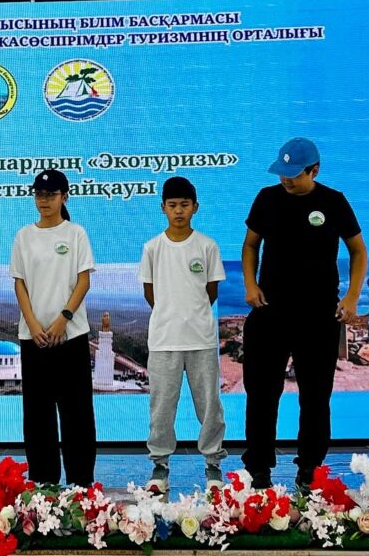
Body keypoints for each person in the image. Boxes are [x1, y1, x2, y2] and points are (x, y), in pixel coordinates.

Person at [240, 138, 367, 492]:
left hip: (318, 316)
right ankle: (259, 469)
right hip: (270, 312)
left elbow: (358, 251)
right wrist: (250, 283)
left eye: (294, 174)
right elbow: (250, 245)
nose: (286, 179)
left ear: (314, 171)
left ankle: (310, 468)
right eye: (282, 173)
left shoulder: (334, 202)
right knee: (261, 394)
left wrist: (352, 297)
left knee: (315, 396)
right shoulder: (267, 198)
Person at [139, 176, 227, 497]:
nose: (178, 211)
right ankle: (160, 466)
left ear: (195, 207)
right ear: (162, 207)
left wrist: (191, 315)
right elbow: (150, 293)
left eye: (184, 205)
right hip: (164, 340)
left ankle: (213, 464)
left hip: (201, 339)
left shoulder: (207, 246)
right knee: (162, 407)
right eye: (173, 205)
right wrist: (171, 315)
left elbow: (210, 292)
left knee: (210, 405)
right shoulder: (152, 248)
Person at [11, 169, 96, 487]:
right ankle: (44, 483)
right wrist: (33, 324)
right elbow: (19, 283)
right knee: (38, 415)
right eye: (39, 194)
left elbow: (83, 280)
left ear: (64, 197)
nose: (44, 201)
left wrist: (63, 318)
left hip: (70, 335)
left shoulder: (75, 234)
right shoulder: (24, 236)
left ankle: (81, 483)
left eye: (50, 195)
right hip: (34, 338)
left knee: (77, 413)